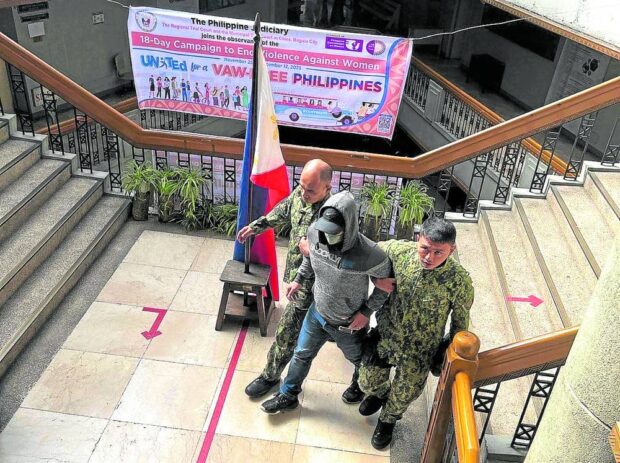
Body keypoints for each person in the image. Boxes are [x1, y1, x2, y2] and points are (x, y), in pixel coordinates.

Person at [239, 160, 361, 402]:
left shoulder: (335, 215)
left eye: (311, 190)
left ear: (328, 187)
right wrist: (257, 226)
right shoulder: (302, 193)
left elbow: (346, 254)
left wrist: (311, 252)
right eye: (301, 187)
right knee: (287, 333)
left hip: (328, 291)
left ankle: (361, 384)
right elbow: (284, 210)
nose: (304, 194)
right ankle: (270, 375)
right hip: (300, 285)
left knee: (350, 345)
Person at [260, 191, 391, 414]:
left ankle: (360, 387)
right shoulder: (314, 232)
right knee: (301, 354)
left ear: (348, 228)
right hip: (316, 312)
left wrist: (366, 312)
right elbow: (310, 258)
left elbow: (385, 286)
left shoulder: (369, 255)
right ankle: (288, 394)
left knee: (359, 360)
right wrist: (299, 280)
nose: (326, 238)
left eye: (334, 233)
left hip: (348, 323)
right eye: (324, 231)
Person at [358, 217, 474, 449]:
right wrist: (376, 279)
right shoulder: (397, 251)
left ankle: (388, 420)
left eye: (439, 252)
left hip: (420, 350)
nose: (429, 258)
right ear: (417, 239)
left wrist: (445, 354)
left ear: (452, 249)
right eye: (425, 249)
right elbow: (363, 253)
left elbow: (460, 325)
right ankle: (380, 394)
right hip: (386, 338)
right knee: (367, 382)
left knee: (405, 394)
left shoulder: (459, 281)